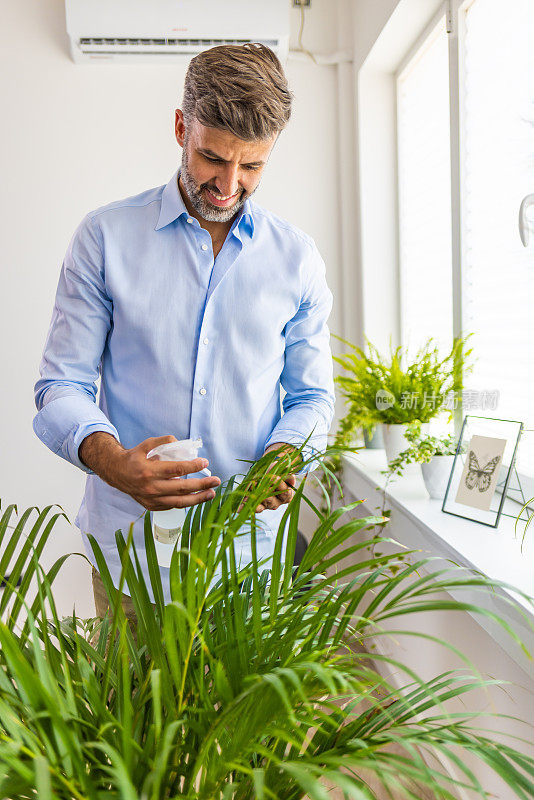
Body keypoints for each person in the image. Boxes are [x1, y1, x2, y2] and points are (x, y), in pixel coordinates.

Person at [33, 43, 335, 624]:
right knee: (124, 716)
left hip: (247, 559)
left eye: (251, 167)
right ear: (180, 127)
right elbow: (59, 386)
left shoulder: (297, 259)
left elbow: (312, 397)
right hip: (131, 557)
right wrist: (114, 462)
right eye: (212, 159)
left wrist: (285, 450)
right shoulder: (104, 238)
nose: (228, 185)